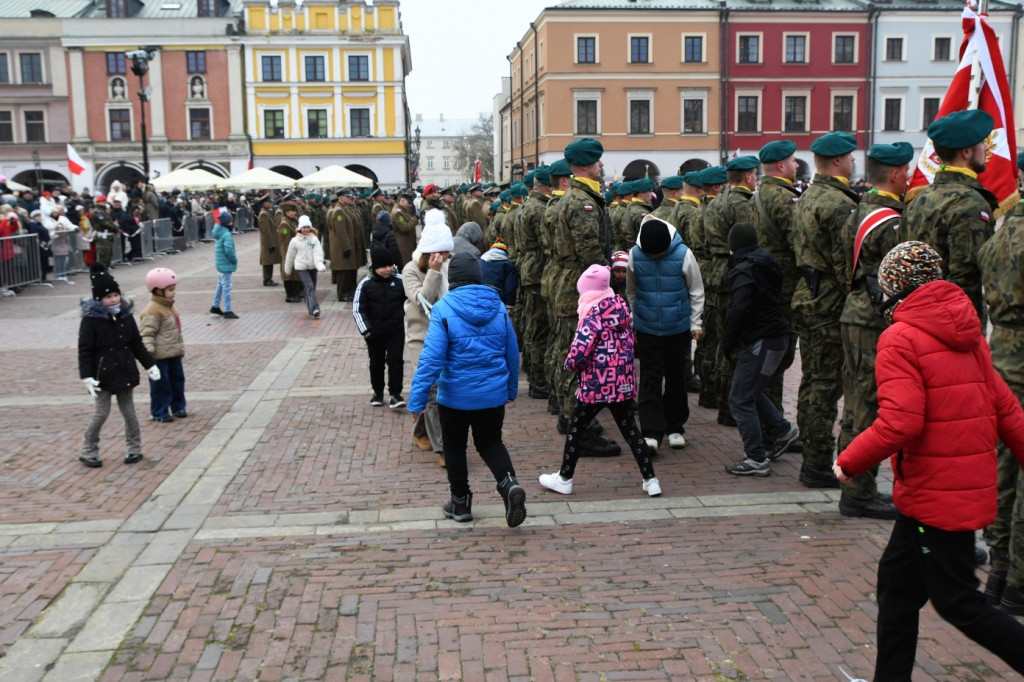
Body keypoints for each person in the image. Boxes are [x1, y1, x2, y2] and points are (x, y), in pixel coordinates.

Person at [833, 241, 1024, 680]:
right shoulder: (968, 332)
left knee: (960, 603)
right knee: (896, 590)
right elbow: (1006, 408)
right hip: (936, 492)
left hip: (938, 496)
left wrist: (849, 460)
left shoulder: (900, 336)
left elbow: (901, 422)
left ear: (894, 287)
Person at [407, 252, 526, 528]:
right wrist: (511, 389)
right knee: (491, 443)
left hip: (455, 397)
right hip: (492, 395)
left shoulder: (443, 308)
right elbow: (512, 353)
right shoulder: (497, 307)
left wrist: (417, 401)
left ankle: (460, 502)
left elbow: (431, 359)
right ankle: (508, 484)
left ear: (453, 278)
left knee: (455, 447)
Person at [834, 142, 912, 519]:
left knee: (854, 400)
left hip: (853, 311)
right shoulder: (891, 220)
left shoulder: (856, 211)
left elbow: (840, 264)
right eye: (907, 171)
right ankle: (860, 491)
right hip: (873, 319)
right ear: (895, 174)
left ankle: (851, 479)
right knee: (868, 403)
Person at [538, 264, 660, 497]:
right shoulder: (621, 310)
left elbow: (580, 351)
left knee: (575, 428)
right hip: (621, 384)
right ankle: (651, 479)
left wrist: (569, 366)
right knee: (632, 432)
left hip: (596, 384)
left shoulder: (592, 316)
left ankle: (565, 478)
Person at [791, 131, 860, 489]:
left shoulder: (807, 196)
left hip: (809, 296)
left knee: (813, 382)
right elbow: (846, 264)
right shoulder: (838, 203)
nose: (853, 162)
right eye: (850, 157)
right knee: (825, 387)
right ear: (837, 161)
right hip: (830, 303)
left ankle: (811, 457)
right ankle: (817, 464)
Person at [978, 151, 1024, 613]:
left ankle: (998, 569)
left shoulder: (1003, 230)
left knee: (1005, 463)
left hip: (1003, 353)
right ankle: (1018, 581)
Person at [901, 109, 997, 328]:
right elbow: (966, 279)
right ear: (966, 152)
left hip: (916, 317)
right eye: (982, 143)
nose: (986, 148)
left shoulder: (919, 198)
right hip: (953, 325)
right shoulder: (970, 202)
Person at [720, 223, 800, 476]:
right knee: (749, 392)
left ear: (733, 247)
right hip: (775, 338)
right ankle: (783, 430)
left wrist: (728, 341)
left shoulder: (743, 270)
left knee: (740, 399)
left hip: (761, 341)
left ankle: (756, 458)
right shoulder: (764, 262)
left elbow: (740, 309)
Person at [626, 215, 704, 453]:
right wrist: (634, 320)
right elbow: (631, 290)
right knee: (649, 377)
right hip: (648, 327)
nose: (654, 258)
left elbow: (696, 290)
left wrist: (695, 323)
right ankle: (651, 432)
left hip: (677, 327)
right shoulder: (635, 255)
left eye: (658, 254)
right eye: (650, 255)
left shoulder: (684, 254)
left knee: (676, 377)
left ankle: (675, 427)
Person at [77, 263, 160, 468]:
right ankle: (88, 449)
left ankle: (134, 448)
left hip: (124, 371)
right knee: (101, 413)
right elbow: (85, 349)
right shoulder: (90, 320)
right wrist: (86, 376)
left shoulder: (125, 316)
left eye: (116, 295)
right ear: (99, 299)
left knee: (129, 413)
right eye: (108, 296)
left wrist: (150, 365)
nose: (113, 299)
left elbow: (136, 344)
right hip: (102, 374)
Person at [402, 210, 454, 462]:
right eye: (441, 253)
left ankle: (421, 432)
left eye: (447, 252)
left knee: (439, 389)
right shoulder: (411, 269)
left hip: (446, 337)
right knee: (433, 391)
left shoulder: (449, 266)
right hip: (420, 339)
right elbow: (423, 300)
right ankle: (444, 449)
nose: (445, 257)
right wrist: (434, 272)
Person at [354, 245, 406, 408]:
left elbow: (411, 301)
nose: (387, 269)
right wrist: (366, 331)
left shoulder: (400, 281)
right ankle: (377, 393)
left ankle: (395, 395)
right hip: (374, 333)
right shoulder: (366, 284)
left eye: (390, 265)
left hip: (396, 330)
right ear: (375, 267)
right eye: (383, 266)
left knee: (396, 361)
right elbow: (358, 309)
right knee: (376, 363)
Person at [139, 267, 186, 422]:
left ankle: (178, 407)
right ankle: (159, 411)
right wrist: (149, 356)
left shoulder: (171, 307)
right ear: (158, 291)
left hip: (173, 353)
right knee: (161, 385)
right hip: (159, 356)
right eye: (171, 289)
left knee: (177, 381)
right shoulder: (152, 311)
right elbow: (147, 334)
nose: (174, 292)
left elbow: (177, 331)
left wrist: (181, 348)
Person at [284, 215, 327, 318]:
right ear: (300, 229)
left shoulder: (314, 239)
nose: (306, 230)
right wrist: (287, 270)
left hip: (313, 266)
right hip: (301, 267)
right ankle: (316, 308)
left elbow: (318, 253)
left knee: (311, 287)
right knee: (309, 286)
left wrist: (319, 264)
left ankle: (310, 308)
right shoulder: (294, 241)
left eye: (308, 227)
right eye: (304, 227)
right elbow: (290, 256)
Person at [211, 210, 238, 319]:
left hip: (220, 263)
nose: (232, 223)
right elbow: (229, 250)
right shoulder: (226, 234)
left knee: (221, 285)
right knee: (226, 287)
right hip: (225, 263)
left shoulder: (219, 232)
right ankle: (228, 310)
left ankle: (215, 305)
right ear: (228, 222)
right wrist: (234, 259)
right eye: (231, 222)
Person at [479, 239, 518, 311]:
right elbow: (510, 287)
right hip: (497, 297)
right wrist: (509, 305)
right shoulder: (508, 265)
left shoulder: (480, 262)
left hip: (479, 294)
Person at [257, 194, 280, 287]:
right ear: (264, 203)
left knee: (269, 261)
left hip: (269, 241)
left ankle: (268, 278)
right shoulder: (264, 214)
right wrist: (271, 243)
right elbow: (266, 230)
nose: (271, 203)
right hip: (267, 242)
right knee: (267, 262)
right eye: (269, 202)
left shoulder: (266, 212)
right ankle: (267, 279)